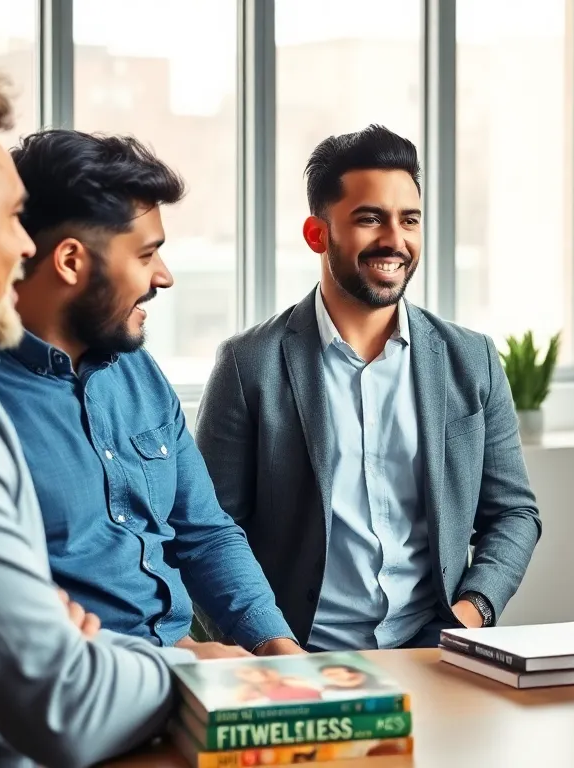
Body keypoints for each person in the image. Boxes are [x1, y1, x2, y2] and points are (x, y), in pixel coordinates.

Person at [0, 65, 195, 768]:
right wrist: (192, 670)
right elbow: (67, 704)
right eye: (9, 219)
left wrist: (85, 649)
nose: (27, 248)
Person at [195, 124, 541, 651]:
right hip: (299, 656)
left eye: (409, 220)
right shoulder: (248, 365)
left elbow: (514, 513)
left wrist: (468, 617)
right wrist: (271, 649)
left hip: (437, 651)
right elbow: (211, 533)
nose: (394, 241)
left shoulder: (471, 360)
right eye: (369, 219)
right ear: (318, 234)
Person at [0, 129, 302, 660]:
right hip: (80, 694)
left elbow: (206, 534)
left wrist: (275, 644)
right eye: (146, 254)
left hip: (187, 674)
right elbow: (1, 625)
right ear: (70, 261)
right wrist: (184, 662)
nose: (165, 277)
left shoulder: (139, 372)